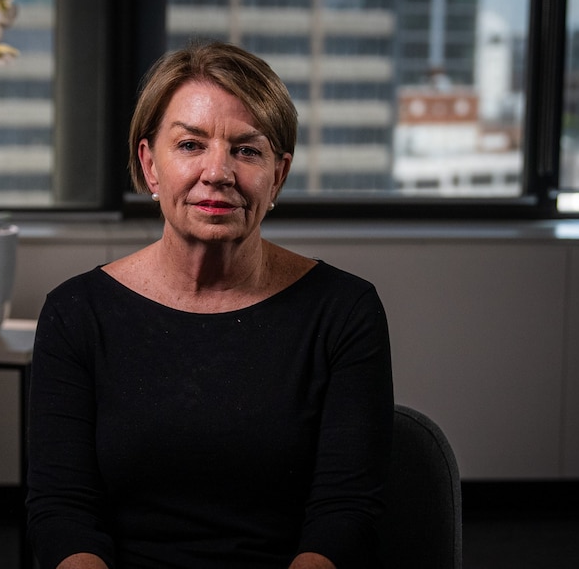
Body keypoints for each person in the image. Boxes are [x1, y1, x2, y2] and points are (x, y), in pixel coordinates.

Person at [26, 40, 393, 569]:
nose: (218, 173)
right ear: (150, 165)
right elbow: (63, 512)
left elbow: (346, 514)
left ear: (278, 175)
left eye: (247, 150)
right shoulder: (76, 313)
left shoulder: (344, 310)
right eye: (191, 145)